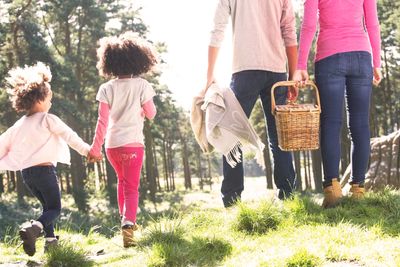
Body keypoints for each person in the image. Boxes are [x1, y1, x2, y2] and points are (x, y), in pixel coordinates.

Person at [204, 0, 298, 207]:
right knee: (278, 135)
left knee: (231, 134)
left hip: (245, 71)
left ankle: (231, 199)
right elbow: (289, 31)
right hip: (277, 71)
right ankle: (288, 196)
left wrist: (209, 76)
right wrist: (292, 74)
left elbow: (217, 30)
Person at [293, 0, 383, 208]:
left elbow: (309, 24)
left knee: (331, 124)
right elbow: (372, 23)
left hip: (329, 56)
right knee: (360, 125)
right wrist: (376, 62)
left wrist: (300, 65)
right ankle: (358, 189)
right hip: (361, 57)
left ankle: (332, 189)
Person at [0, 62, 93, 256]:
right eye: (50, 98)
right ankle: (34, 229)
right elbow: (70, 136)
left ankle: (50, 242)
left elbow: (2, 145)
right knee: (55, 208)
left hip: (27, 175)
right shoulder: (48, 119)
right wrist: (87, 151)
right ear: (40, 99)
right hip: (45, 172)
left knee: (46, 207)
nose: (51, 102)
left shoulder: (18, 125)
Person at [89, 31, 157, 248]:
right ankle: (129, 224)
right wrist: (142, 111)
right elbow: (152, 112)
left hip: (112, 146)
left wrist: (95, 148)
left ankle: (125, 220)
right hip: (133, 145)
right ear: (138, 60)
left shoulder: (106, 88)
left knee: (122, 182)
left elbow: (102, 121)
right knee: (132, 187)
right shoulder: (142, 85)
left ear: (109, 63)